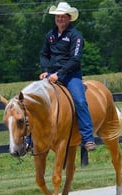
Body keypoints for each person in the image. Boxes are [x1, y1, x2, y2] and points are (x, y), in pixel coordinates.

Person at [26, 2, 96, 152]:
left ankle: (88, 138)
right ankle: (30, 139)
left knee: (80, 101)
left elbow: (75, 59)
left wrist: (59, 74)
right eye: (58, 16)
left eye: (63, 17)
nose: (60, 19)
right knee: (35, 100)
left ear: (69, 18)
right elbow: (44, 55)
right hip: (51, 75)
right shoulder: (50, 35)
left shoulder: (76, 36)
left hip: (71, 76)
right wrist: (45, 70)